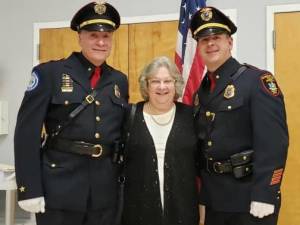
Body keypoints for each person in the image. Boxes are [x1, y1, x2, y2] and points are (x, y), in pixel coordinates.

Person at [14, 2, 128, 225]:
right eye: (94, 35)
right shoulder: (50, 74)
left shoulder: (119, 80)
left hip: (105, 192)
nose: (101, 42)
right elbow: (26, 132)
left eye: (107, 36)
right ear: (80, 37)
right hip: (59, 188)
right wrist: (29, 188)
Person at [190, 6, 289, 225]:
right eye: (204, 40)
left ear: (230, 43)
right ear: (198, 47)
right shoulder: (202, 91)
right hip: (215, 200)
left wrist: (265, 194)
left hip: (250, 199)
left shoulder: (256, 81)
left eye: (217, 37)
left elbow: (274, 143)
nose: (211, 44)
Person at [121, 56, 200, 225]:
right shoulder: (129, 115)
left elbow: (201, 165)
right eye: (156, 81)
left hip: (184, 211)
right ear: (146, 85)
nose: (162, 87)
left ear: (176, 84)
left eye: (167, 81)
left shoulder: (191, 116)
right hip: (136, 211)